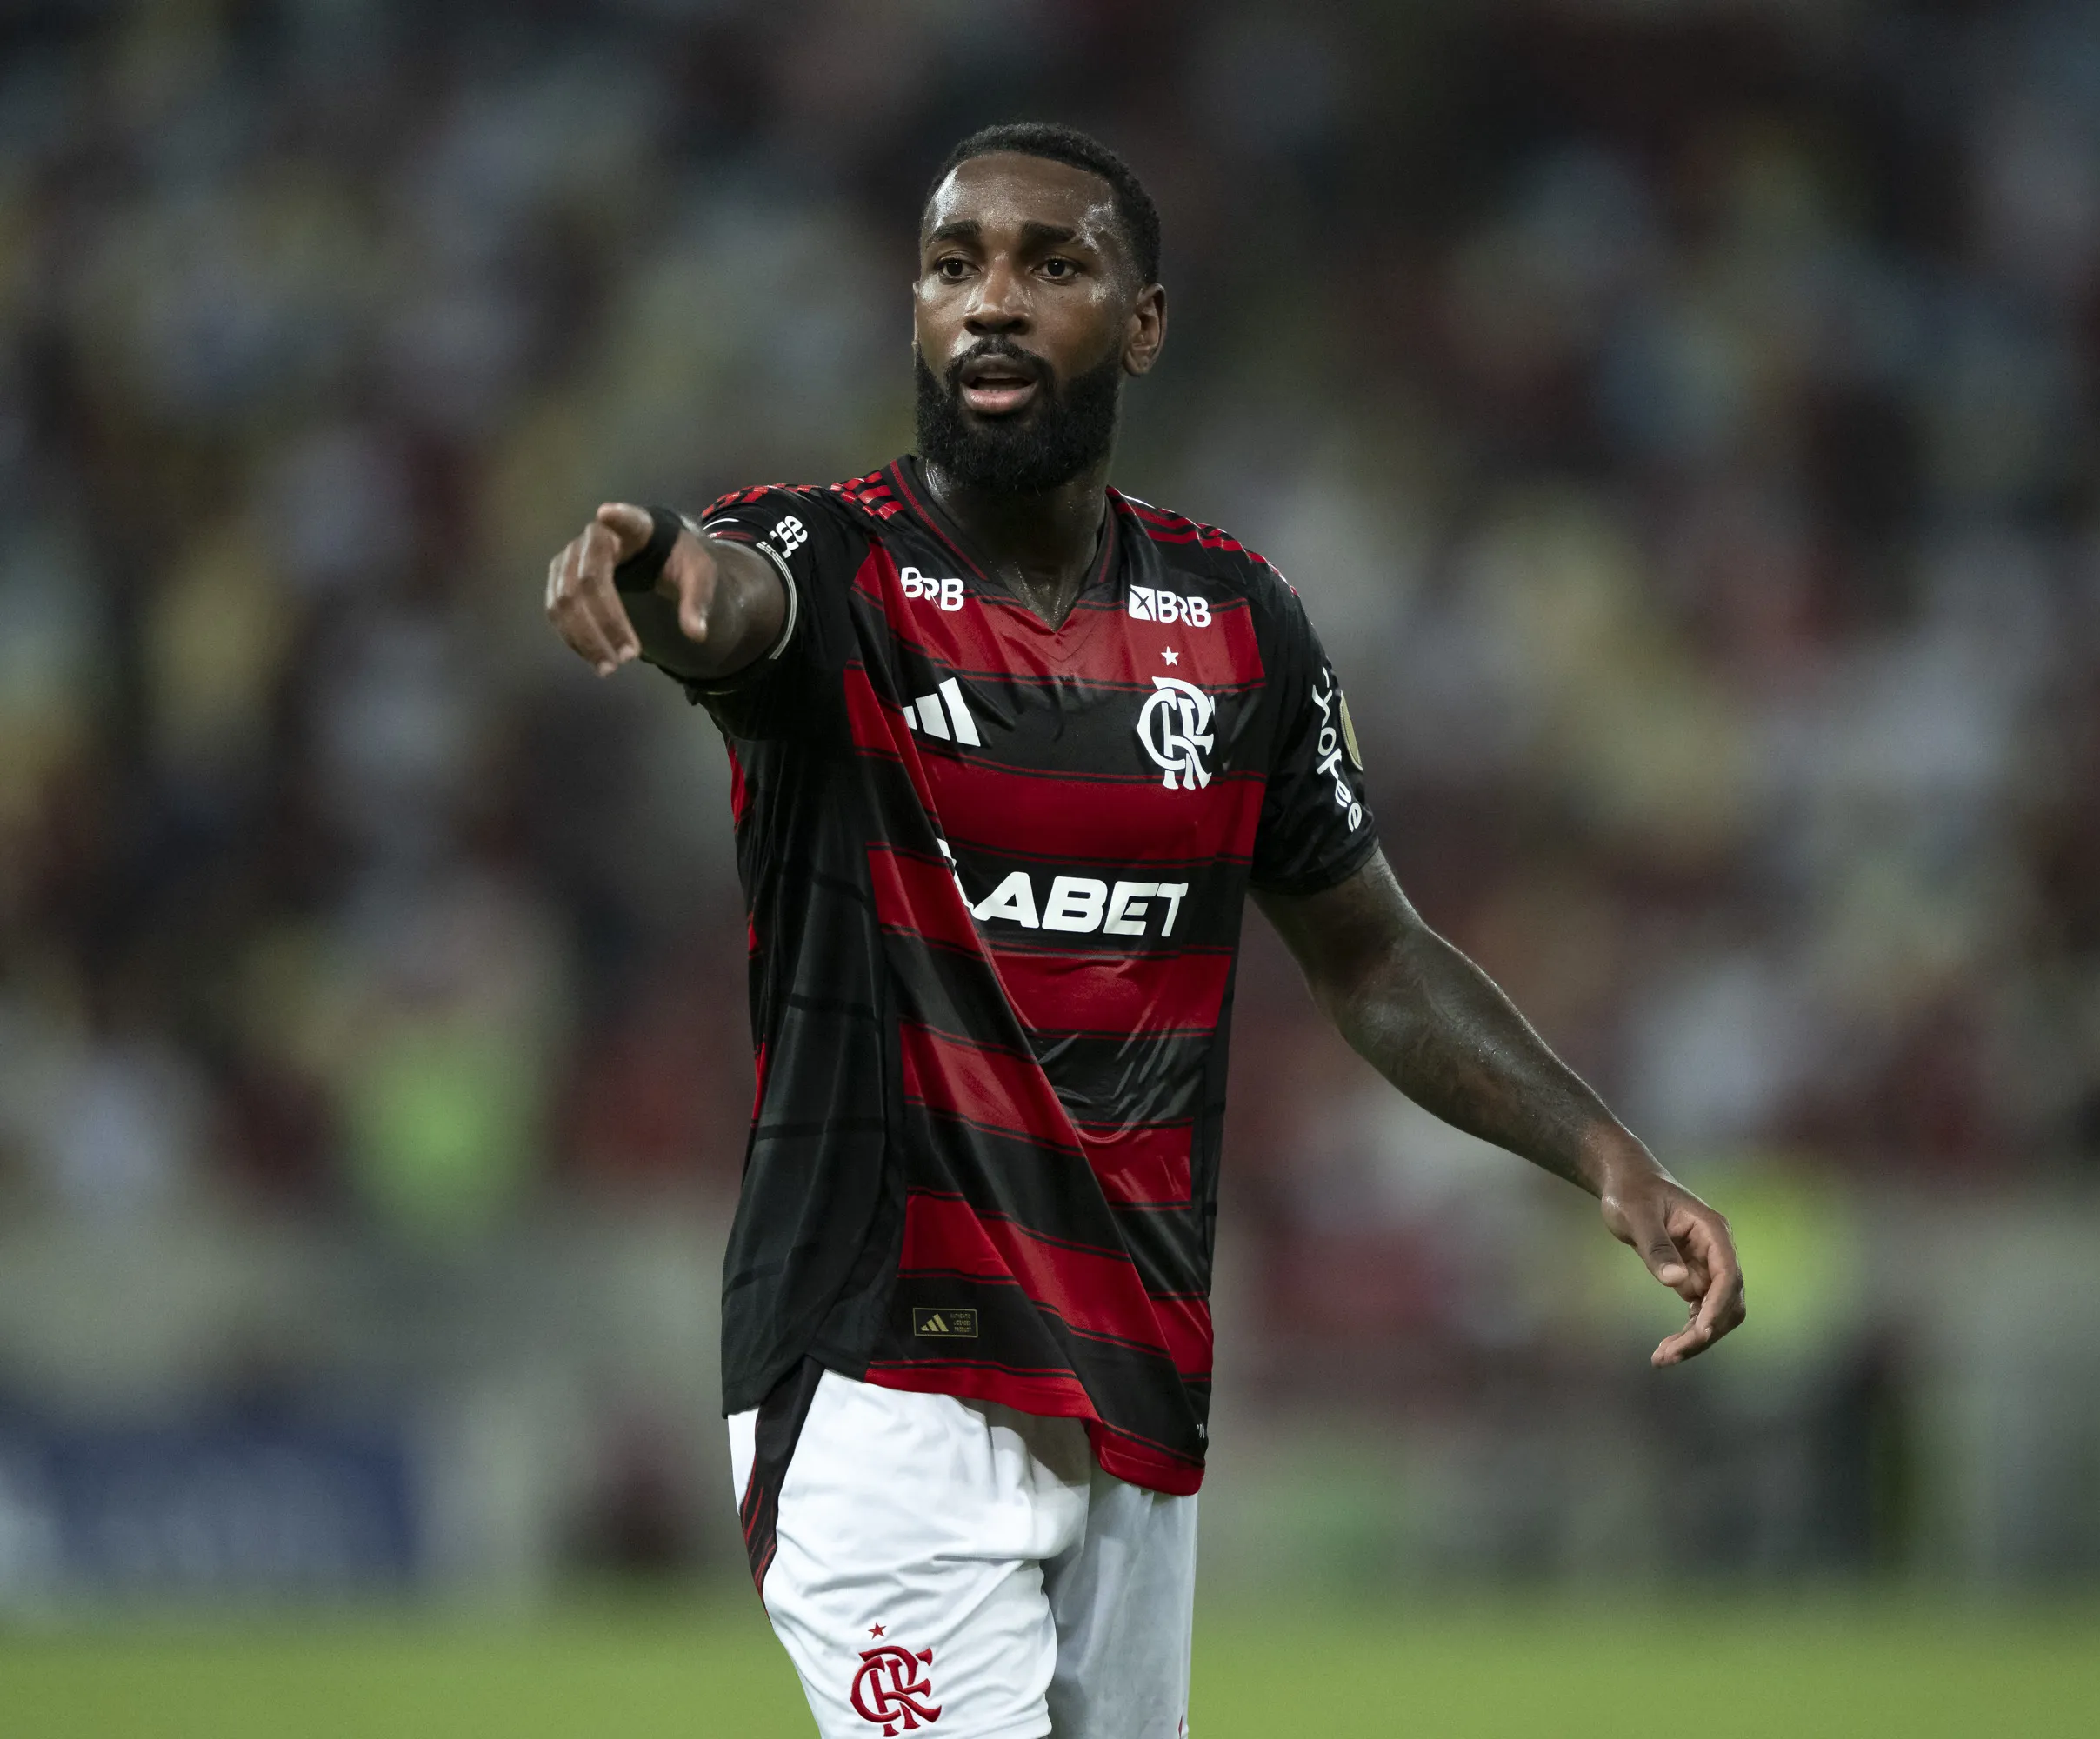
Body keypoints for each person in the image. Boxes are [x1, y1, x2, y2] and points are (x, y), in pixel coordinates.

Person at [543, 122, 1745, 1739]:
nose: (993, 304)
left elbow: (1372, 953)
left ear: (1146, 322)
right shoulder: (836, 572)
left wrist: (1605, 1154)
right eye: (954, 265)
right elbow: (730, 598)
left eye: (1052, 266)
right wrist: (660, 561)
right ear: (912, 308)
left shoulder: (1239, 626)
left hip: (1126, 1382)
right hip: (877, 1376)